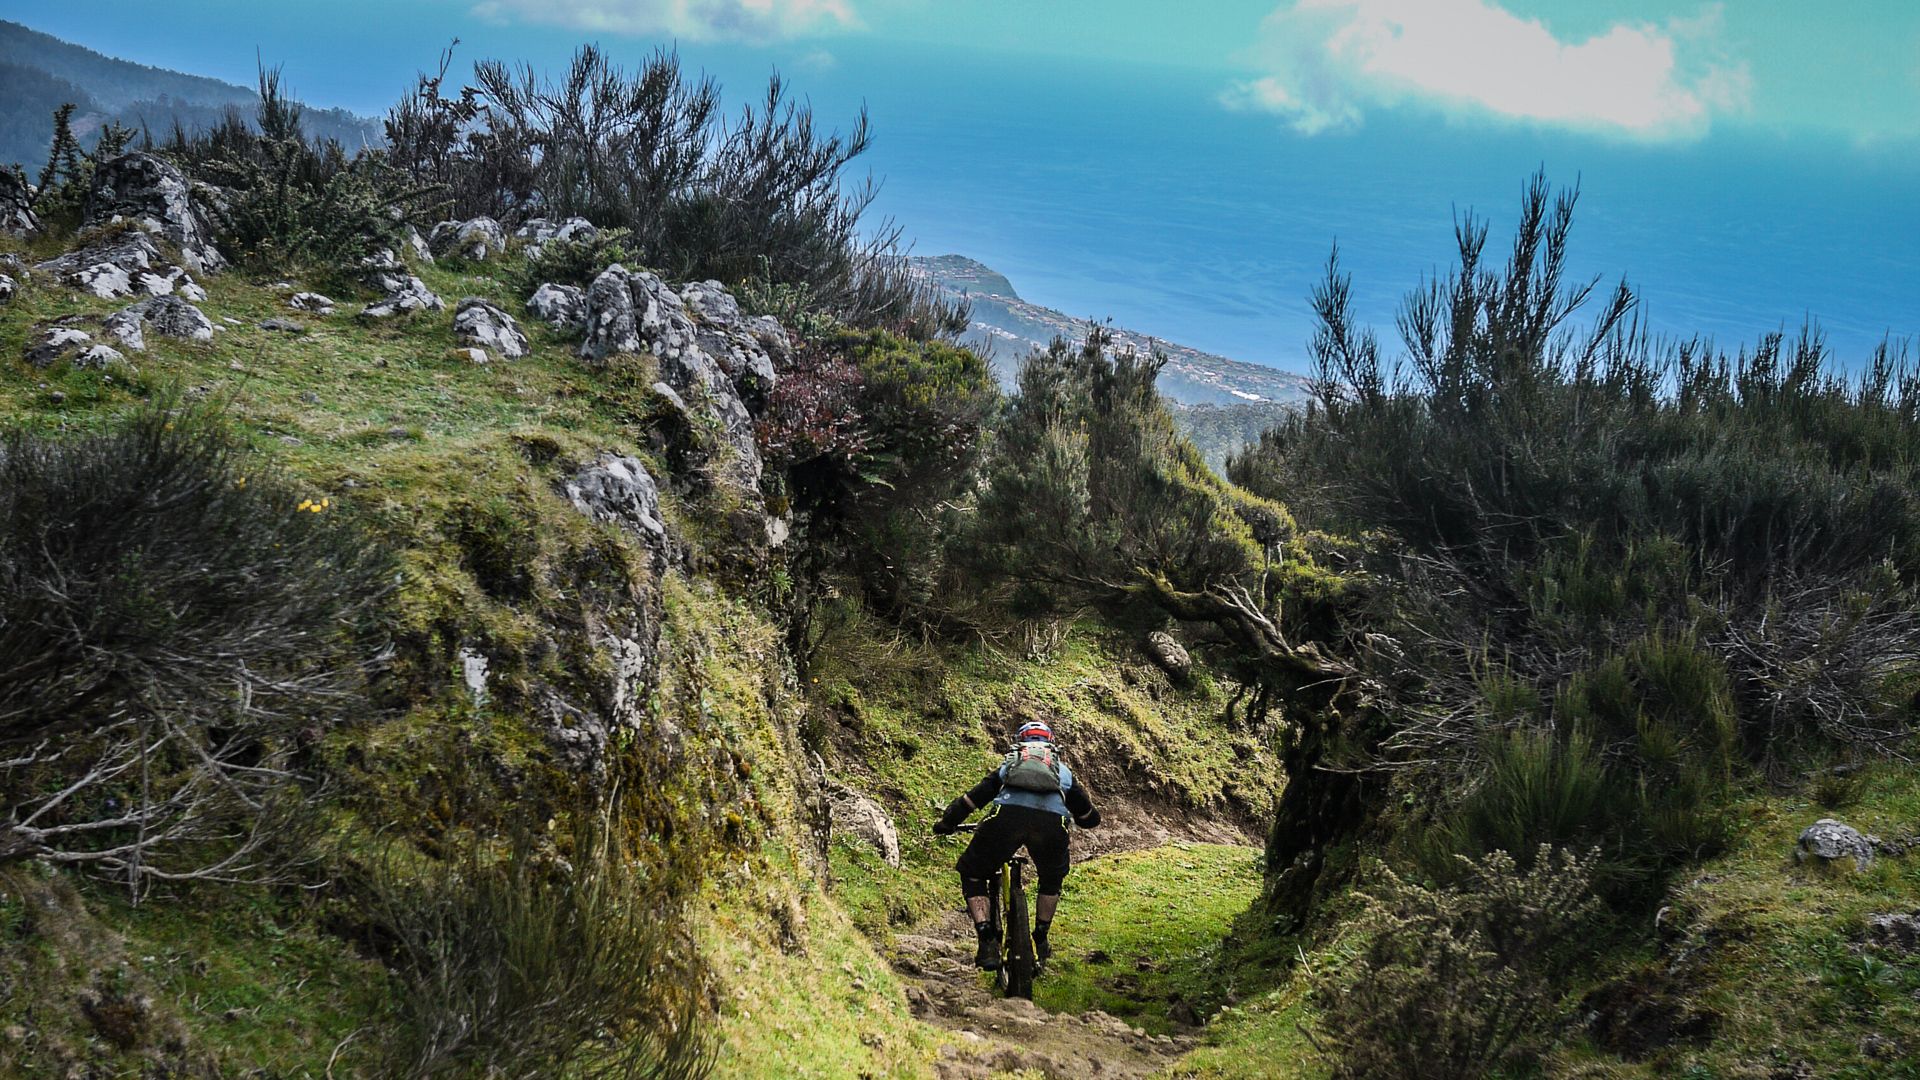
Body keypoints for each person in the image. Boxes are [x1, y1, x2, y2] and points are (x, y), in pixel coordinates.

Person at [932, 719, 1101, 969]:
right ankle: (1041, 938)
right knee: (1051, 881)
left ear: (1019, 744)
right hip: (1052, 825)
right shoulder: (1063, 772)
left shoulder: (1009, 766)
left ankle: (986, 937)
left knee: (973, 873)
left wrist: (947, 823)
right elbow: (1088, 817)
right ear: (1052, 745)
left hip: (1006, 819)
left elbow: (972, 800)